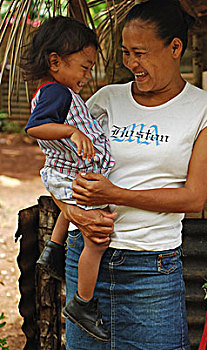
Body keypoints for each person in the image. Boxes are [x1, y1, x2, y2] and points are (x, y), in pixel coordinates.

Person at [52, 0, 207, 348]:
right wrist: (74, 214)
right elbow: (59, 168)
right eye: (125, 53)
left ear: (175, 47)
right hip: (87, 260)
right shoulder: (106, 99)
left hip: (152, 271)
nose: (131, 63)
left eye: (140, 53)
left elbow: (193, 197)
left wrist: (113, 194)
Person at [22, 16, 115, 342]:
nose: (88, 76)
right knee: (96, 237)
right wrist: (71, 130)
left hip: (65, 172)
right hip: (67, 173)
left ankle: (53, 250)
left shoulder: (58, 92)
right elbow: (35, 127)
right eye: (84, 67)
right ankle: (83, 304)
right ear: (55, 61)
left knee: (71, 211)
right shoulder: (56, 93)